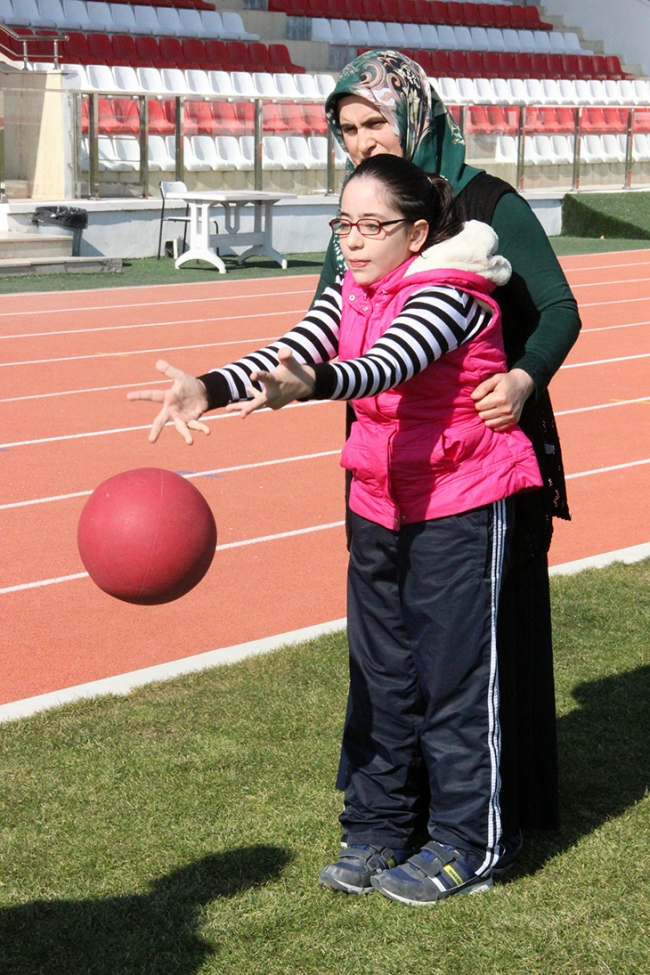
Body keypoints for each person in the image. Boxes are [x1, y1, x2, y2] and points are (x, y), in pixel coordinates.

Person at [130, 153, 543, 905]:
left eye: (371, 226)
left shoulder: (453, 292)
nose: (352, 240)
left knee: (455, 681)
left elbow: (387, 362)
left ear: (416, 232)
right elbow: (299, 346)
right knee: (384, 677)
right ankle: (382, 825)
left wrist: (313, 386)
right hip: (380, 501)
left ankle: (471, 840)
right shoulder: (353, 288)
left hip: (461, 502)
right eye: (343, 224)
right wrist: (209, 386)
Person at [316, 50, 582, 853]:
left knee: (481, 641)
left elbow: (560, 310)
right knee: (391, 645)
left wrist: (526, 379)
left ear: (416, 115)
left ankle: (492, 810)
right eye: (348, 129)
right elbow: (331, 321)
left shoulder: (488, 201)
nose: (363, 141)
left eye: (375, 122)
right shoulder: (368, 212)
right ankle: (398, 812)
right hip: (387, 459)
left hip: (487, 450)